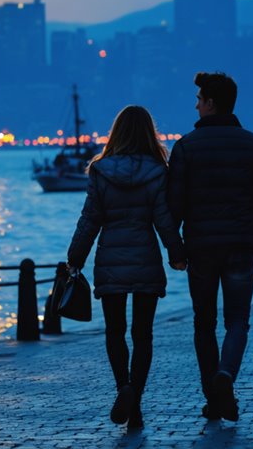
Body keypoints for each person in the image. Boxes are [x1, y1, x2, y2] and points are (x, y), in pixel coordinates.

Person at [167, 72, 253, 422]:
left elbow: (174, 204)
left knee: (204, 323)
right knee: (238, 321)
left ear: (211, 103)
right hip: (242, 245)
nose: (196, 105)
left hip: (200, 247)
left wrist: (177, 248)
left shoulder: (185, 147)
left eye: (199, 99)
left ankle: (213, 398)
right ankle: (226, 375)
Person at [67, 105, 186, 429]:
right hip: (145, 257)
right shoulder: (158, 171)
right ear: (150, 133)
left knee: (115, 332)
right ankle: (135, 399)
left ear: (116, 133)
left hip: (110, 260)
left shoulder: (101, 170)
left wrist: (75, 257)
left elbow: (89, 219)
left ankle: (124, 391)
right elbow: (163, 219)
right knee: (143, 334)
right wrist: (176, 252)